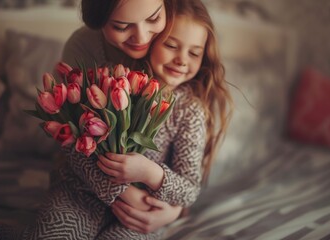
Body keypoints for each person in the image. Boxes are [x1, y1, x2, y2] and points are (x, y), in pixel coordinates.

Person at [94, 0, 233, 238]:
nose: (182, 59)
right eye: (171, 45)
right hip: (88, 196)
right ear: (152, 41)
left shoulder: (189, 111)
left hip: (144, 211)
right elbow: (77, 148)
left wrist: (150, 173)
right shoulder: (117, 79)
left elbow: (189, 191)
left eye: (194, 53)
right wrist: (117, 189)